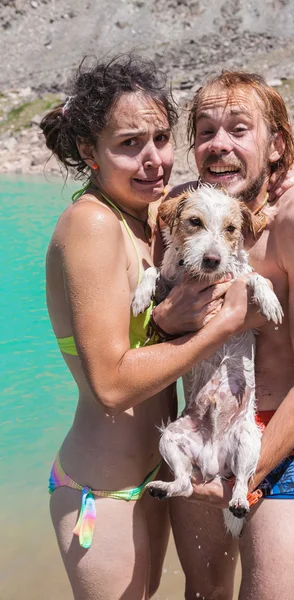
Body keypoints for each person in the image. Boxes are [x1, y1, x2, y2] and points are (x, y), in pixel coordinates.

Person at [40, 56, 267, 600]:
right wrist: (223, 325)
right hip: (104, 487)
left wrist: (285, 173)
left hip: (158, 476)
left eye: (162, 138)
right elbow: (113, 386)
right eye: (128, 144)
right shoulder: (91, 223)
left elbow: (227, 201)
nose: (153, 161)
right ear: (88, 153)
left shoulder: (150, 218)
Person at [153, 71, 294, 599]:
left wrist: (245, 477)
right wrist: (164, 320)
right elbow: (152, 315)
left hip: (280, 438)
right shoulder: (186, 217)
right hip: (199, 428)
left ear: (276, 143)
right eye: (206, 131)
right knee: (203, 591)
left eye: (239, 129)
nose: (220, 145)